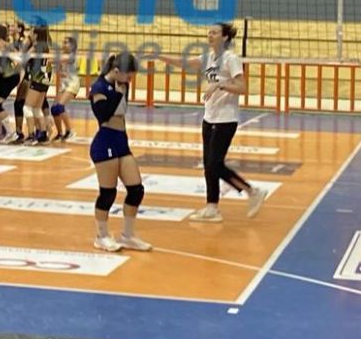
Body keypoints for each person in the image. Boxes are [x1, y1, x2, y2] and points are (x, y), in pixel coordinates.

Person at [157, 23, 267, 223]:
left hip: (226, 118)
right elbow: (183, 63)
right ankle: (212, 207)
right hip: (209, 117)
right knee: (208, 165)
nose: (210, 35)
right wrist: (159, 56)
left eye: (214, 32)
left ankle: (252, 191)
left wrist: (219, 85)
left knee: (215, 164)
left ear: (225, 37)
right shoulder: (207, 57)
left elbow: (242, 88)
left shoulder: (231, 59)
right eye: (209, 32)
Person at [88, 52, 152, 252]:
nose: (130, 81)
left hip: (121, 141)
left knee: (136, 190)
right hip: (105, 142)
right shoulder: (99, 87)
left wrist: (121, 89)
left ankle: (128, 235)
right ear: (116, 71)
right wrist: (116, 93)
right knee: (108, 193)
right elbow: (103, 115)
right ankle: (102, 236)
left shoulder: (123, 84)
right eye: (128, 76)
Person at [51, 35, 80, 141]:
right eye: (63, 42)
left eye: (66, 42)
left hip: (72, 84)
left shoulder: (72, 56)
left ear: (72, 45)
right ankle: (59, 133)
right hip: (64, 85)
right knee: (54, 109)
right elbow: (58, 70)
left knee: (59, 107)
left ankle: (69, 131)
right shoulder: (63, 56)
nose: (63, 44)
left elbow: (55, 60)